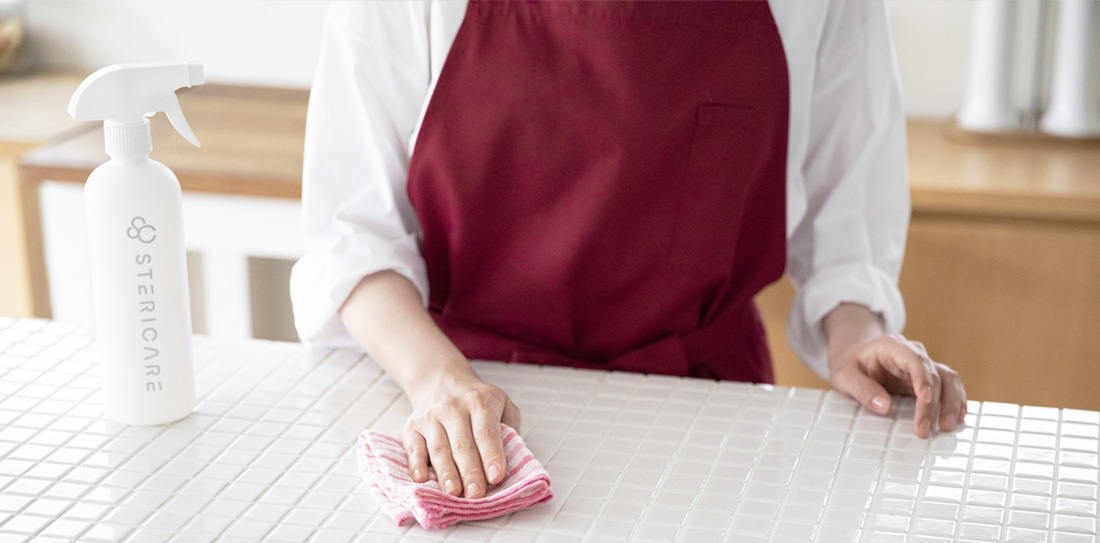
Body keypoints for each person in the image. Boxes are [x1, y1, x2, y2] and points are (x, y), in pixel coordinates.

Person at [290, 0, 967, 500]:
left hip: (706, 426)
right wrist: (438, 382)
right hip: (473, 415)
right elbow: (352, 235)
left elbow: (846, 206)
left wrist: (858, 333)